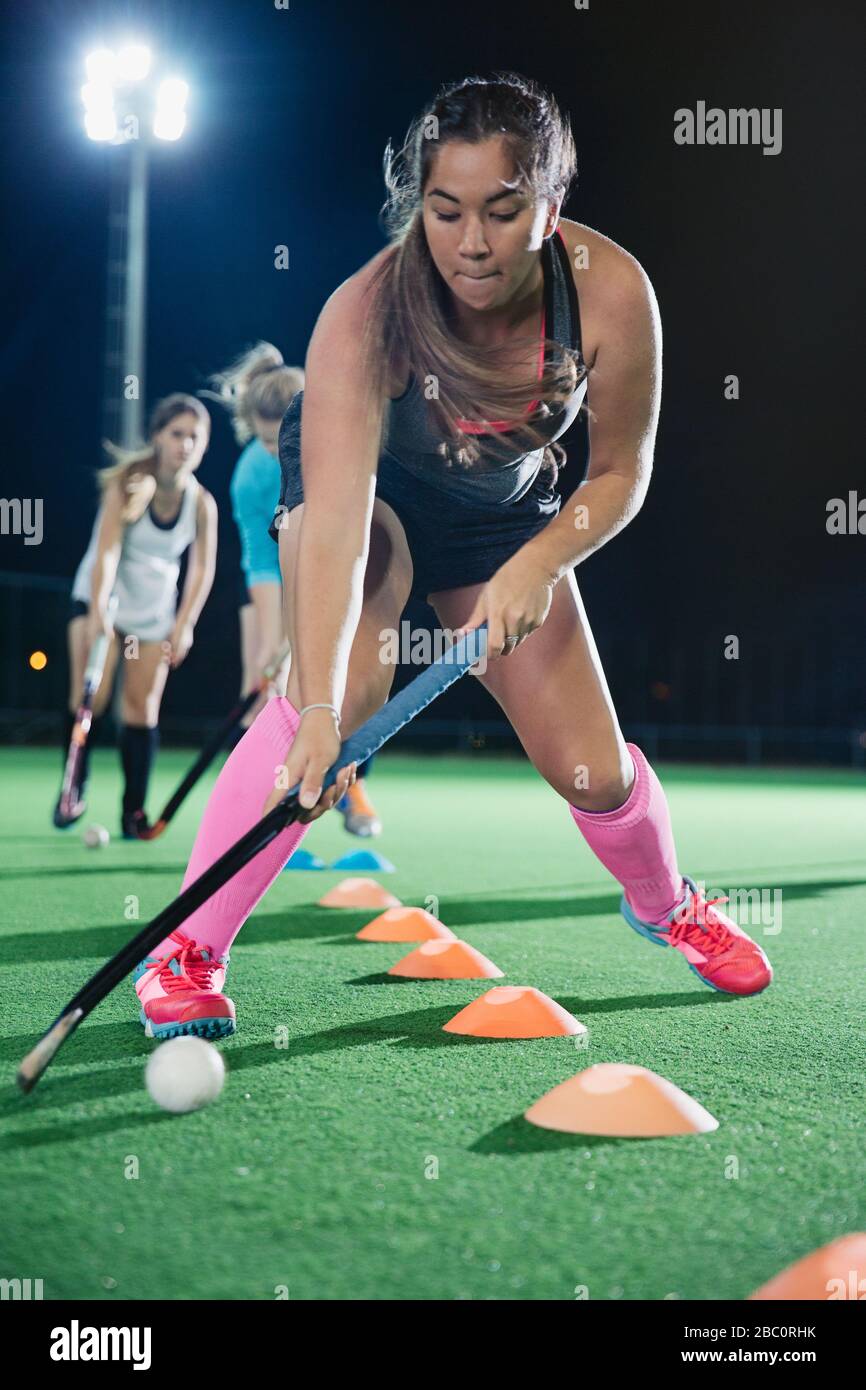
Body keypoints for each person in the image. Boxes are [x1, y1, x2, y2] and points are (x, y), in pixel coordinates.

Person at [134, 72, 772, 1041]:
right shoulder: (363, 318)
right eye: (443, 209)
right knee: (338, 699)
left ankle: (662, 901)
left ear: (550, 205)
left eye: (502, 210)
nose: (470, 242)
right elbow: (341, 529)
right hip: (375, 501)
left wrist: (538, 562)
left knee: (593, 773)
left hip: (502, 518)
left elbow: (619, 475)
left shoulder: (611, 297)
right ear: (417, 206)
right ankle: (186, 950)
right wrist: (312, 705)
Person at [207, 342, 384, 836]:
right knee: (263, 688)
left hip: (340, 572)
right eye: (264, 441)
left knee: (347, 683)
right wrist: (274, 639)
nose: (274, 450)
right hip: (269, 579)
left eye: (280, 437)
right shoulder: (251, 475)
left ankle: (355, 789)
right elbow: (261, 557)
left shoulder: (344, 446)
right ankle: (253, 814)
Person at [56, 394, 217, 838]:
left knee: (141, 710)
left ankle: (134, 813)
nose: (185, 444)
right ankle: (73, 788)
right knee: (92, 697)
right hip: (99, 601)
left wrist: (184, 625)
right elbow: (106, 549)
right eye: (177, 433)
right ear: (157, 437)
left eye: (195, 437)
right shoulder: (128, 482)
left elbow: (202, 569)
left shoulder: (202, 503)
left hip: (152, 614)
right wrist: (98, 612)